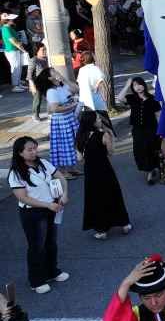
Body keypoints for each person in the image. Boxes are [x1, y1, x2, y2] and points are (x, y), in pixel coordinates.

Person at [8, 136, 70, 294]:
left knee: (51, 242)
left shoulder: (43, 163)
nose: (34, 152)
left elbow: (60, 177)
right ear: (20, 152)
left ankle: (52, 271)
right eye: (29, 149)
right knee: (37, 246)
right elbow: (23, 197)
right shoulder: (16, 172)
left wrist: (64, 195)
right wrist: (47, 205)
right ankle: (36, 280)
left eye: (35, 148)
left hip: (52, 207)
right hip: (33, 212)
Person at [75, 111, 132, 240]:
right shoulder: (103, 135)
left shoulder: (79, 137)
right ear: (92, 122)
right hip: (104, 168)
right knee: (113, 194)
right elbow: (111, 152)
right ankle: (124, 223)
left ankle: (102, 229)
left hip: (90, 171)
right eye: (98, 119)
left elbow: (79, 158)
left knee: (95, 198)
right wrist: (111, 136)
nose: (100, 120)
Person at [35, 69, 81, 178]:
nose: (57, 72)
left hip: (70, 118)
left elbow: (76, 89)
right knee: (64, 145)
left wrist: (64, 79)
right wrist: (73, 105)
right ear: (49, 78)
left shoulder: (61, 86)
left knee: (73, 143)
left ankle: (71, 168)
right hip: (61, 121)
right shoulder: (51, 91)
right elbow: (55, 109)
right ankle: (63, 172)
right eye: (54, 72)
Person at [118, 77, 162, 184]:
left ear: (144, 85)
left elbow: (158, 115)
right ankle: (149, 168)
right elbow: (120, 98)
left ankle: (151, 172)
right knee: (139, 150)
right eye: (135, 85)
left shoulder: (152, 99)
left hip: (151, 129)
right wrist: (127, 85)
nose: (138, 87)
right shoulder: (132, 98)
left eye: (139, 84)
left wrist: (161, 131)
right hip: (137, 130)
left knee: (151, 149)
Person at [1, 12, 27, 92]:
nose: (13, 20)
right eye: (11, 19)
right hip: (11, 50)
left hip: (15, 50)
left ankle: (18, 84)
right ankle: (15, 85)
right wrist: (23, 49)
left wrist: (21, 48)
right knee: (15, 67)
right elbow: (13, 41)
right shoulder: (5, 28)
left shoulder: (9, 27)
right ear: (8, 20)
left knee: (18, 67)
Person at [26, 43, 48, 121]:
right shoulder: (34, 60)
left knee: (50, 98)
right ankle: (35, 115)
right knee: (37, 100)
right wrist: (32, 86)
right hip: (36, 84)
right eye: (43, 50)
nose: (45, 51)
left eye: (45, 49)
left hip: (47, 82)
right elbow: (29, 75)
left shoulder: (47, 59)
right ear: (37, 51)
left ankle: (52, 114)